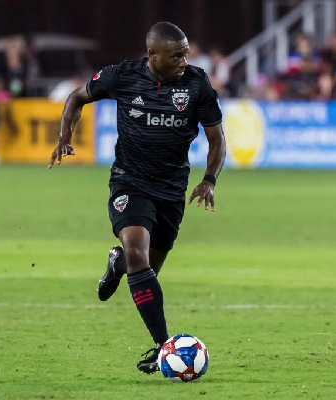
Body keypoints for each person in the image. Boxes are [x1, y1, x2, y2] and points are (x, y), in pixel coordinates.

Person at [47, 22, 226, 374]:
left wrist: (209, 181)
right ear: (154, 55)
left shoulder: (197, 83)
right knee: (137, 252)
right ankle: (163, 346)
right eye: (177, 55)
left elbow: (217, 140)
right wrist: (64, 136)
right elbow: (76, 97)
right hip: (130, 181)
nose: (184, 61)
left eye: (186, 53)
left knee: (145, 271)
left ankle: (119, 263)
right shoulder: (121, 76)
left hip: (172, 190)